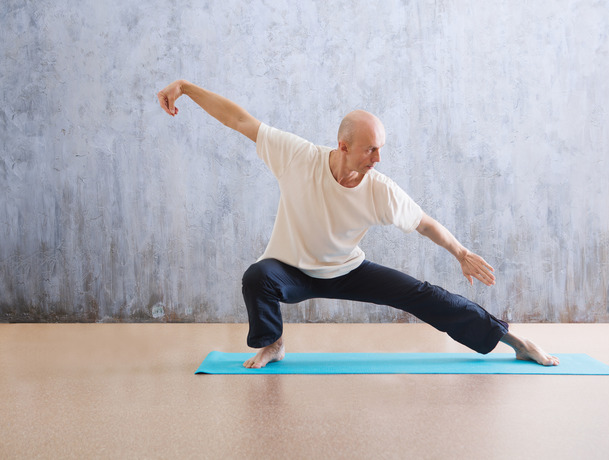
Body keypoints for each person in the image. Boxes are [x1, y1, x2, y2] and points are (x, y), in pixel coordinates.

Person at [157, 80, 560, 368]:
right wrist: (187, 88)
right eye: (371, 150)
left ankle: (513, 340)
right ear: (343, 147)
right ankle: (273, 343)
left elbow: (423, 223)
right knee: (257, 277)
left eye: (381, 149)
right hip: (291, 271)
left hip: (347, 270)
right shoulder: (297, 157)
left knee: (425, 295)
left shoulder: (378, 188)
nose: (378, 160)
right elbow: (238, 120)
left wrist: (461, 252)